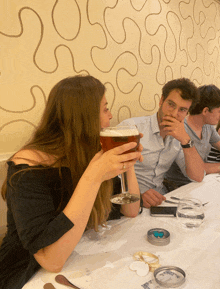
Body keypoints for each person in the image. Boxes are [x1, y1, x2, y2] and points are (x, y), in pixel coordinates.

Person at [0, 75, 143, 289]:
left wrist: (127, 163)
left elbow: (130, 210)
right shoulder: (27, 170)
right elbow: (52, 260)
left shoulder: (90, 150)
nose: (111, 115)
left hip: (81, 258)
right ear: (82, 117)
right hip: (27, 272)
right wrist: (93, 177)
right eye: (105, 109)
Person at [119, 78, 205, 208]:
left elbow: (198, 176)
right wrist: (138, 196)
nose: (174, 114)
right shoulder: (131, 128)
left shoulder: (181, 135)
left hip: (162, 200)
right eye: (171, 104)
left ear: (187, 113)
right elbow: (110, 176)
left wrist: (186, 141)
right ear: (161, 100)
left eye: (182, 110)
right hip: (131, 204)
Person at [165, 84, 220, 188]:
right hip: (178, 187)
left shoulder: (208, 127)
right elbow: (199, 169)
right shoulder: (180, 131)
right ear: (205, 111)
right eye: (219, 111)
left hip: (199, 183)